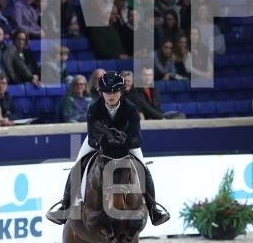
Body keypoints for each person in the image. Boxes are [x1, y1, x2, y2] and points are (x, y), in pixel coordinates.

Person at [46, 70, 168, 225]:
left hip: (126, 140)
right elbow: (92, 138)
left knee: (143, 168)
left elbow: (138, 139)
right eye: (107, 92)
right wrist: (104, 142)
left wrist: (125, 143)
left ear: (121, 91)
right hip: (100, 140)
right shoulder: (94, 108)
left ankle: (153, 209)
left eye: (115, 91)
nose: (111, 95)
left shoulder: (131, 109)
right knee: (77, 166)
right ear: (101, 92)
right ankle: (65, 206)